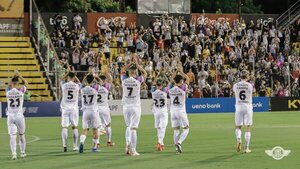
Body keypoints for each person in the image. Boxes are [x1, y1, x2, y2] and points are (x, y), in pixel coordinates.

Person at [121, 55, 147, 156]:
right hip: (135, 106)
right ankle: (133, 150)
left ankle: (127, 144)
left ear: (128, 72)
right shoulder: (138, 81)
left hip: (126, 107)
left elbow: (123, 70)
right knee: (133, 128)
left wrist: (129, 64)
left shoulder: (124, 80)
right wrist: (137, 65)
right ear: (135, 72)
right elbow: (145, 73)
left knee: (128, 126)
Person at [6, 71, 28, 160]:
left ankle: (14, 154)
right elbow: (26, 83)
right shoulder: (21, 91)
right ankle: (22, 153)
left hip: (10, 116)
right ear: (18, 83)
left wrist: (13, 76)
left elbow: (8, 85)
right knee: (22, 134)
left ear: (12, 83)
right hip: (19, 116)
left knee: (12, 136)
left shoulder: (8, 92)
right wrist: (20, 75)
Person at [169, 65, 190, 154]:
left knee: (176, 130)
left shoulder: (170, 88)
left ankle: (177, 149)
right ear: (181, 81)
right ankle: (179, 142)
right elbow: (187, 78)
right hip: (181, 111)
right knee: (186, 128)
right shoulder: (183, 87)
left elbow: (171, 80)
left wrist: (176, 71)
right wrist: (180, 71)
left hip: (173, 112)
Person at [232, 70, 254, 153]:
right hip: (247, 106)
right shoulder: (250, 85)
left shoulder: (235, 85)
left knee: (238, 126)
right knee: (248, 127)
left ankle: (238, 139)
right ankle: (246, 147)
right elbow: (252, 94)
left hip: (238, 106)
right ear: (247, 76)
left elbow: (235, 94)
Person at [79, 74, 101, 153]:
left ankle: (81, 142)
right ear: (93, 80)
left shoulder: (82, 89)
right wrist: (96, 77)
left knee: (85, 129)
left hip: (85, 111)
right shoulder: (95, 88)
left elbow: (81, 83)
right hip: (93, 111)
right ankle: (94, 148)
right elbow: (101, 82)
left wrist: (85, 78)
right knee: (95, 130)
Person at [60, 72, 81, 152]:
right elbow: (79, 82)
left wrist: (66, 74)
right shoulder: (76, 86)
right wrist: (74, 76)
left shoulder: (64, 85)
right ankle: (75, 146)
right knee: (74, 127)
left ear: (68, 77)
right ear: (74, 77)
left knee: (64, 127)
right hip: (74, 109)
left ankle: (64, 145)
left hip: (65, 108)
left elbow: (61, 79)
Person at [96, 68, 115, 147]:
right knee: (108, 125)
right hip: (104, 108)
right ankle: (109, 141)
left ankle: (97, 143)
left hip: (96, 109)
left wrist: (96, 76)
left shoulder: (95, 88)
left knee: (97, 126)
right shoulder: (106, 87)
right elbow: (111, 79)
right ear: (104, 81)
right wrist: (107, 73)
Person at [151, 80, 168, 151]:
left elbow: (152, 86)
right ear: (161, 86)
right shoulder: (164, 93)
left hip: (156, 112)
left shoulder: (153, 93)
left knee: (158, 128)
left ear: (156, 86)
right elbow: (168, 86)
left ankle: (162, 143)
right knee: (163, 127)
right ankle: (159, 142)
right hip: (163, 111)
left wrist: (155, 84)